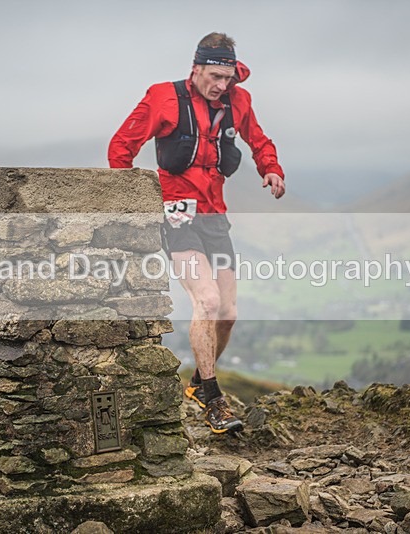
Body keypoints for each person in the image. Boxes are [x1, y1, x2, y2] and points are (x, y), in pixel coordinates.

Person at [108, 32, 285, 434]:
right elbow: (121, 146)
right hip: (177, 215)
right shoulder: (163, 98)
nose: (222, 86)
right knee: (205, 300)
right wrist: (130, 201)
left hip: (214, 217)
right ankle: (212, 396)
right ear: (196, 68)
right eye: (215, 77)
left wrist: (271, 168)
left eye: (228, 78)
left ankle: (197, 384)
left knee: (227, 314)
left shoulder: (238, 100)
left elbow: (259, 140)